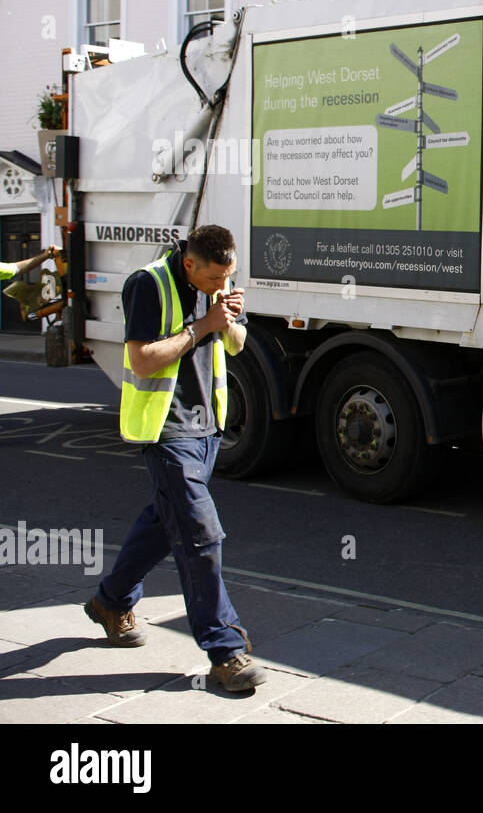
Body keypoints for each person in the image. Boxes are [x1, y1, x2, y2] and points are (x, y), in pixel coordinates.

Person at [85, 225, 268, 692]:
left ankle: (111, 601)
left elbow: (237, 345)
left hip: (208, 425)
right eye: (214, 279)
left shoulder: (216, 282)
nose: (220, 285)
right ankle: (226, 650)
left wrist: (228, 322)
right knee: (200, 535)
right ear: (190, 264)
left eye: (228, 277)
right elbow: (143, 360)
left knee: (166, 524)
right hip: (167, 429)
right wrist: (203, 325)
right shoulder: (146, 285)